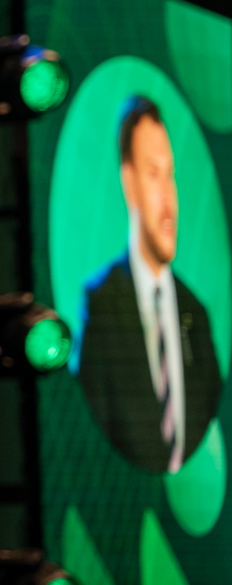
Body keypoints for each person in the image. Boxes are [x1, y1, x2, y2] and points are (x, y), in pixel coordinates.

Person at [78, 96, 222, 474]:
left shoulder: (196, 314)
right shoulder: (100, 306)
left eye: (170, 174)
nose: (168, 199)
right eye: (153, 174)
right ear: (129, 182)